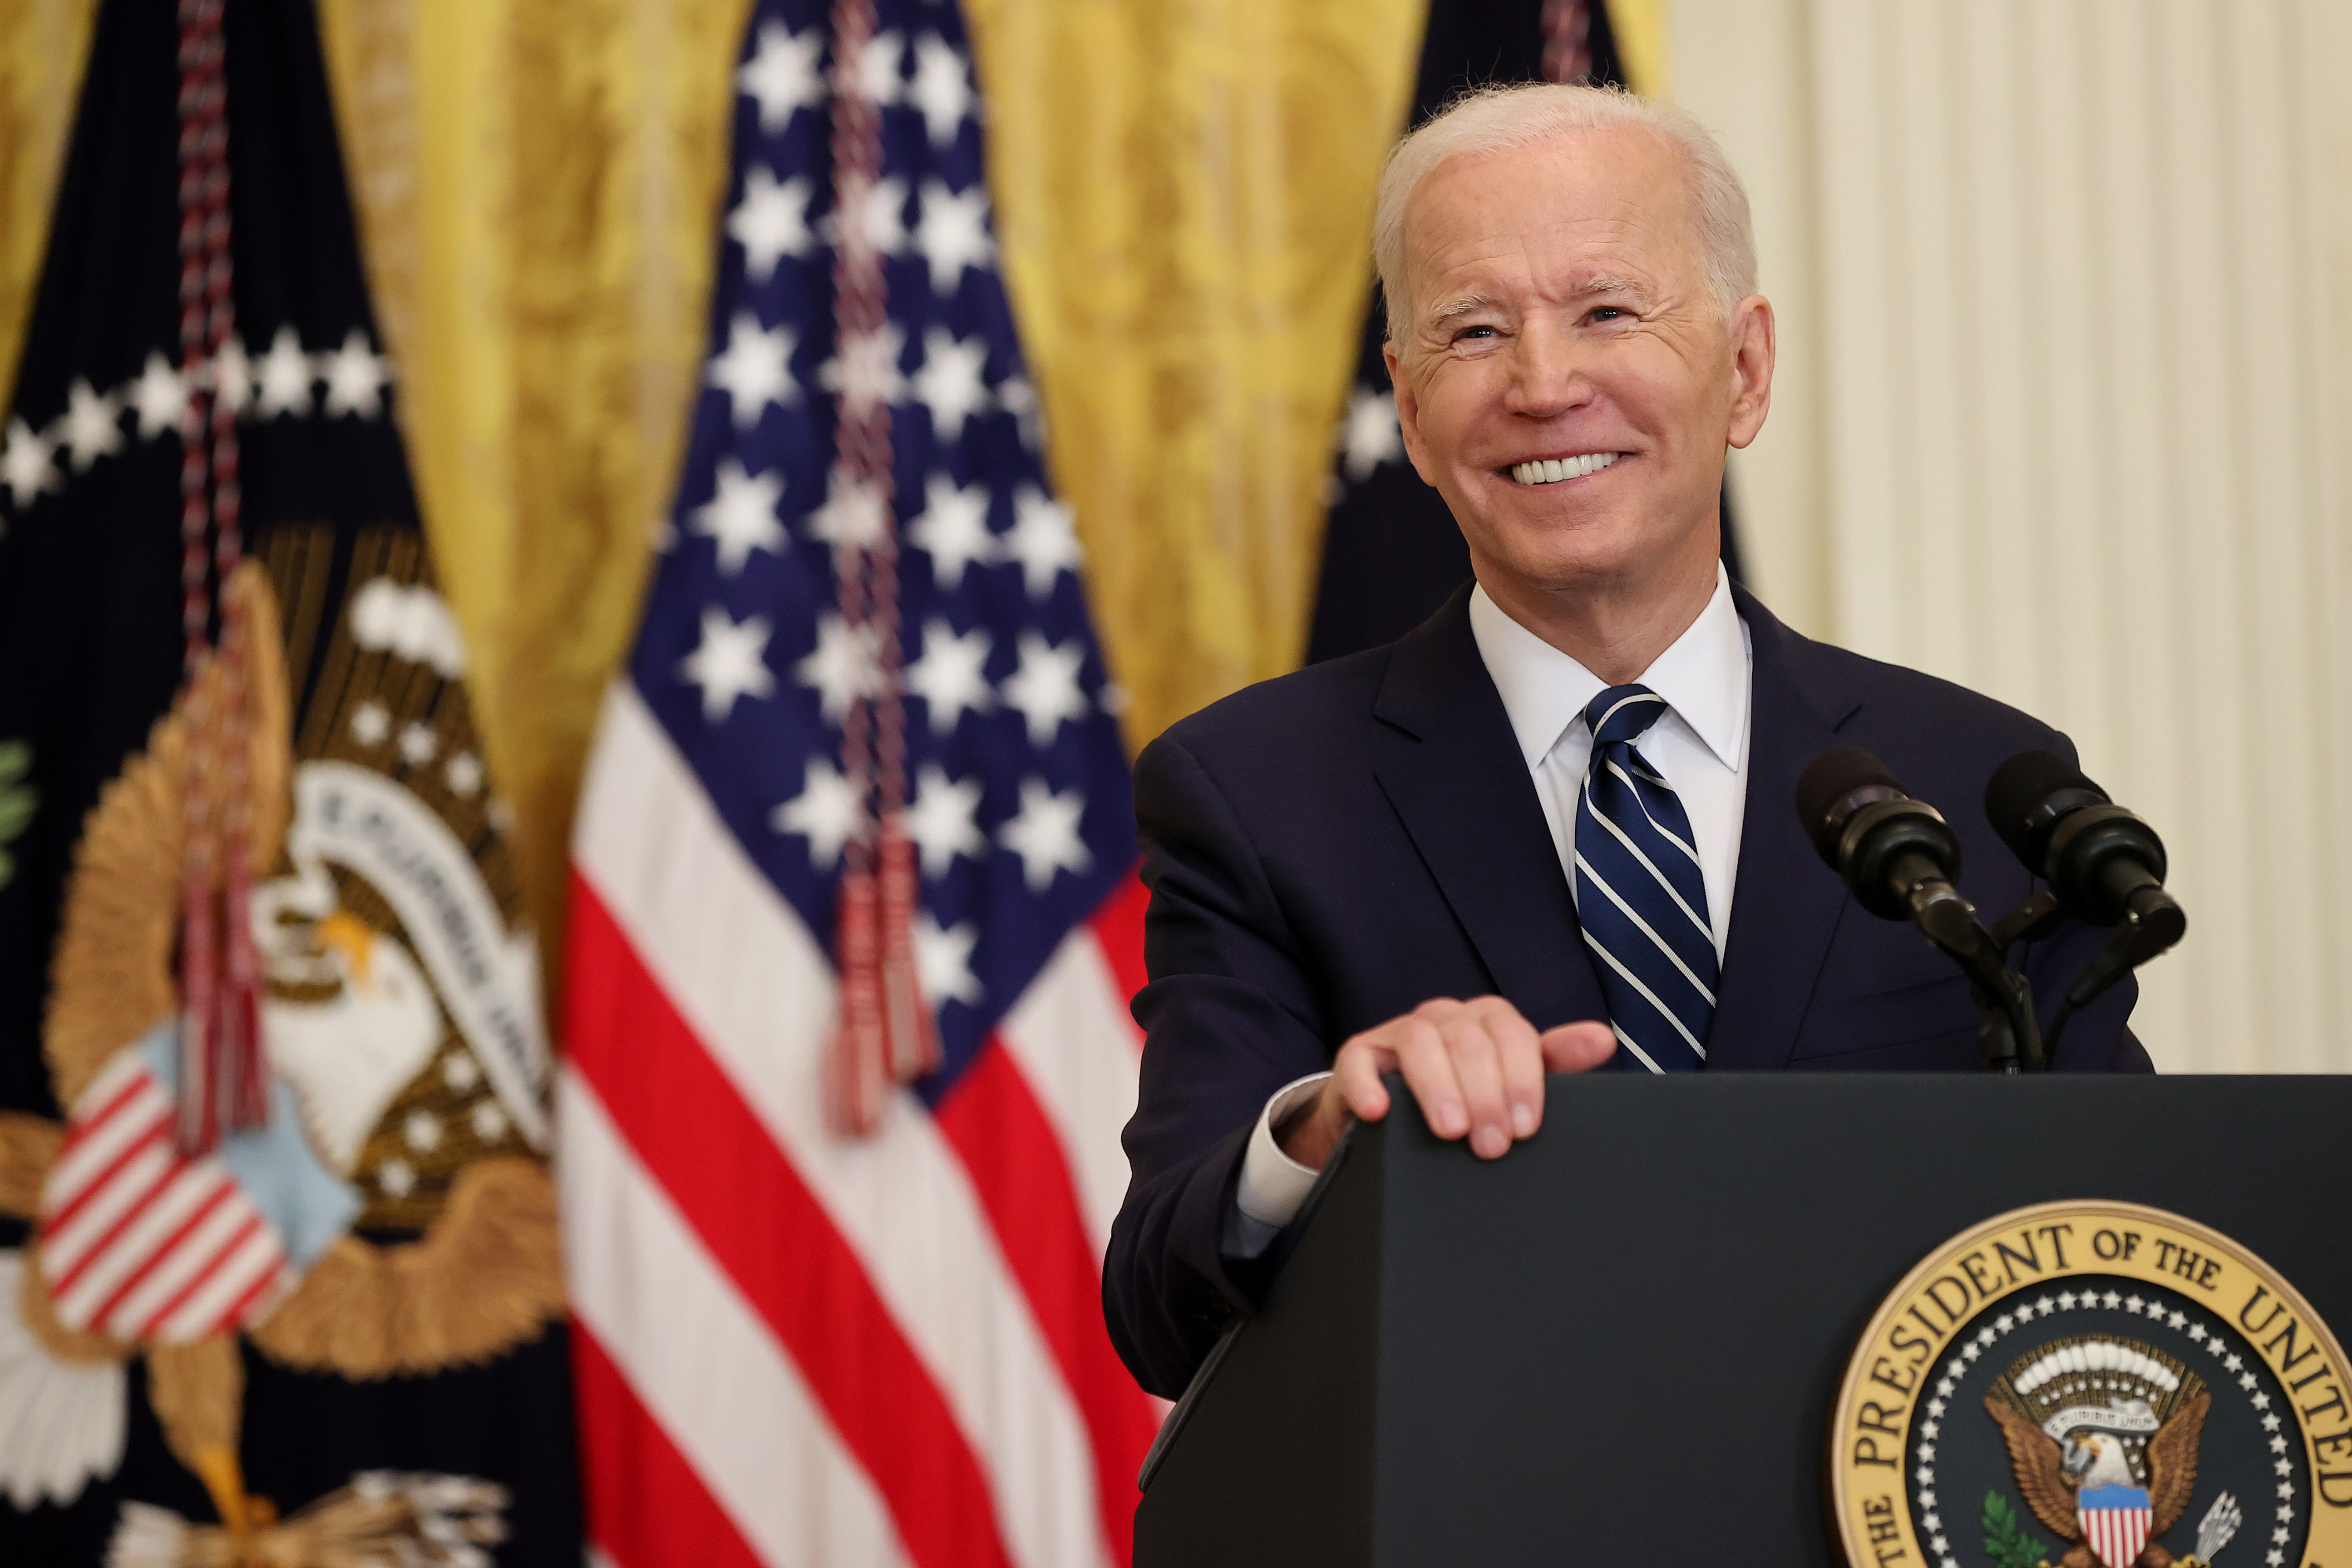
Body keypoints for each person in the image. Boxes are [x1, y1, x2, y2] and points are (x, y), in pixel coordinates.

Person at [1103, 83, 2152, 1400]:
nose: (1544, 386)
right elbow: (1157, 1301)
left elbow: (2125, 1257)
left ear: (1747, 369)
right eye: (1475, 331)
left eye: (1607, 310)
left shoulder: (1978, 786)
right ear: (1411, 412)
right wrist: (1324, 1127)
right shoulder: (1256, 794)